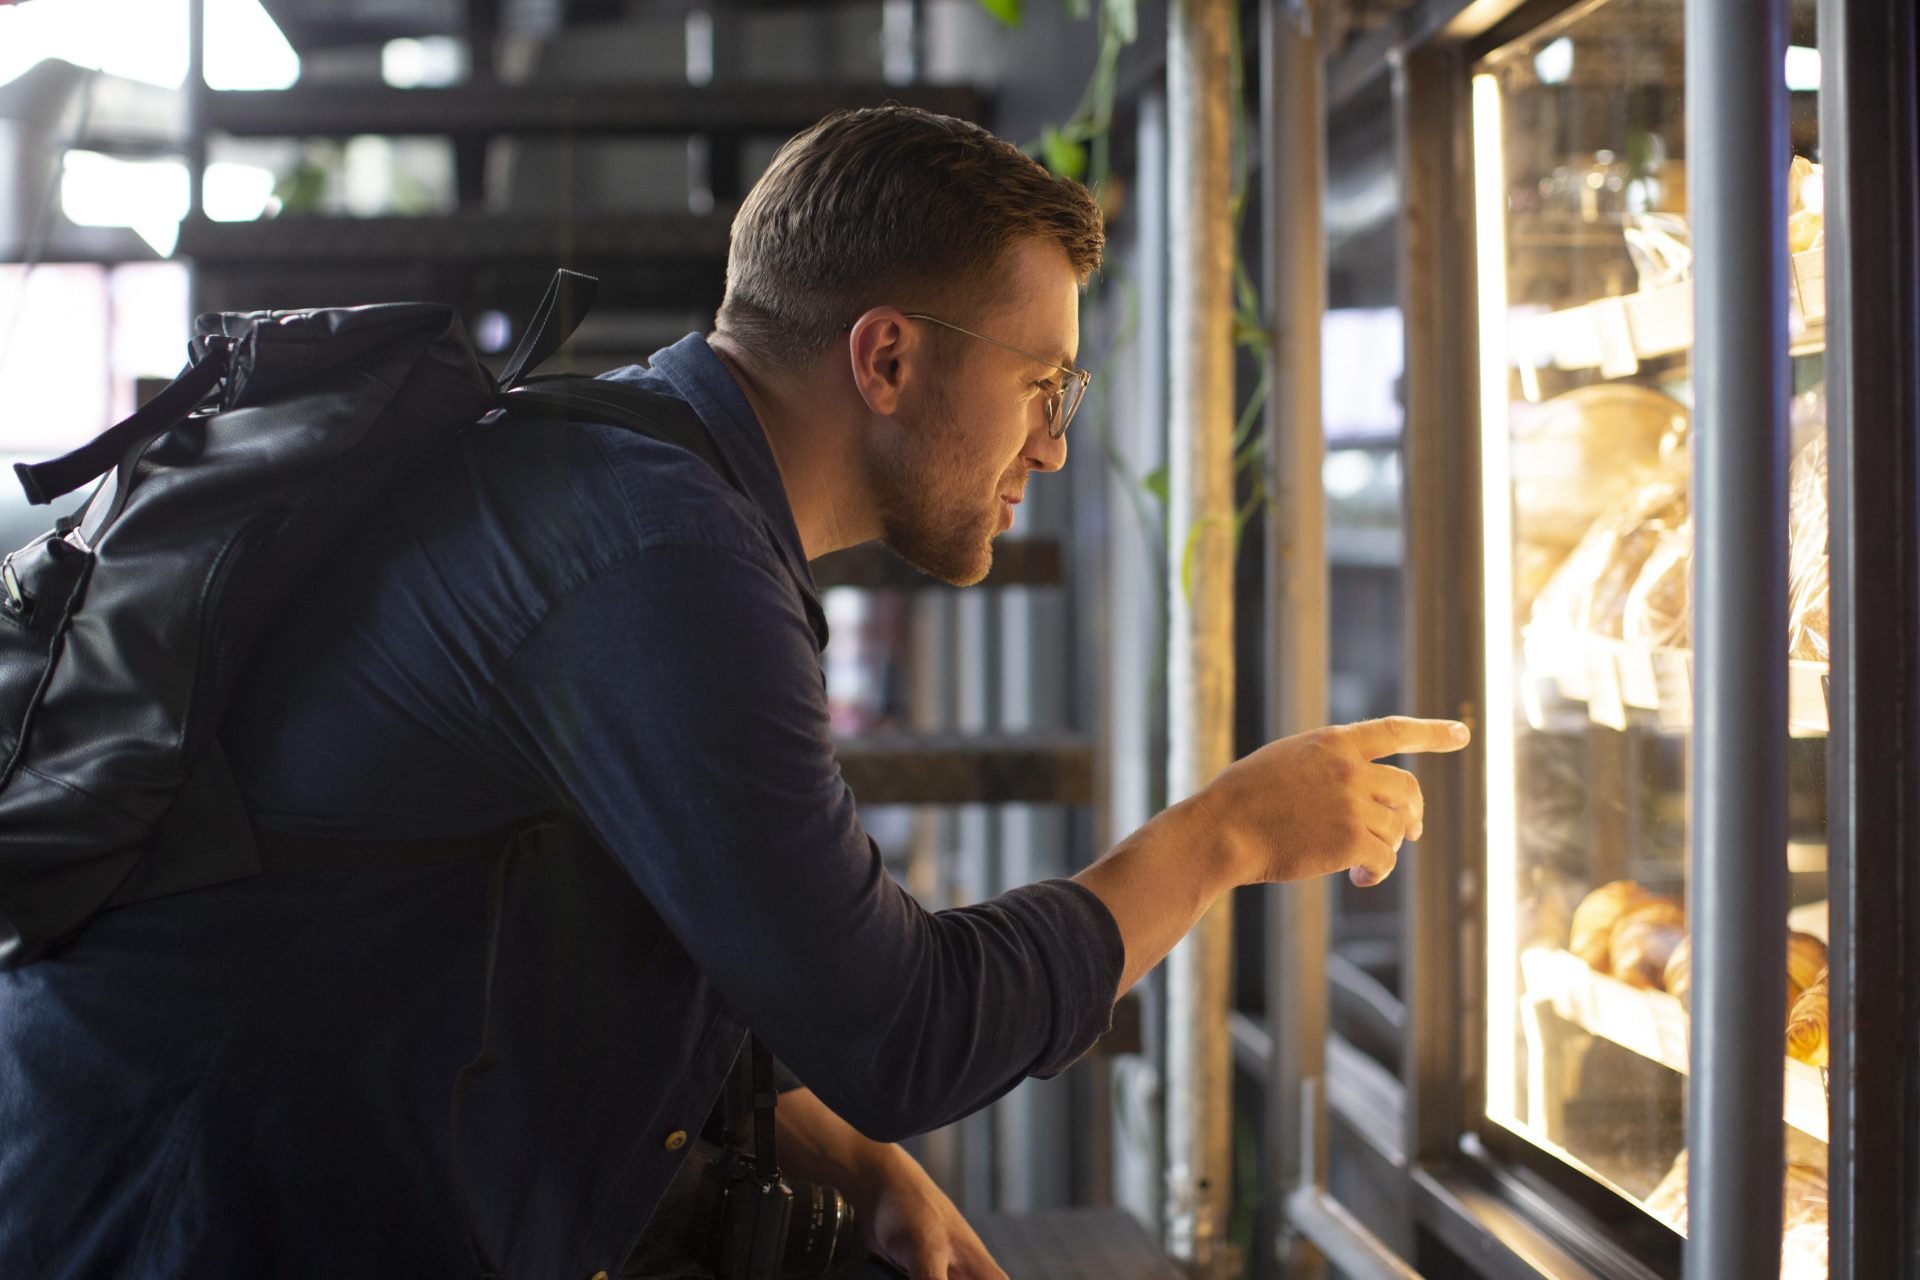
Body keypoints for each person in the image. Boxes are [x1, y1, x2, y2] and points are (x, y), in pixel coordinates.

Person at [0, 106, 1467, 1280]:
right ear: (885, 356)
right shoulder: (653, 554)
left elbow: (628, 922)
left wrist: (840, 1151)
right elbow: (901, 1028)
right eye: (1048, 389)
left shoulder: (649, 496)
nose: (1057, 448)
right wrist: (1222, 836)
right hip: (160, 1221)